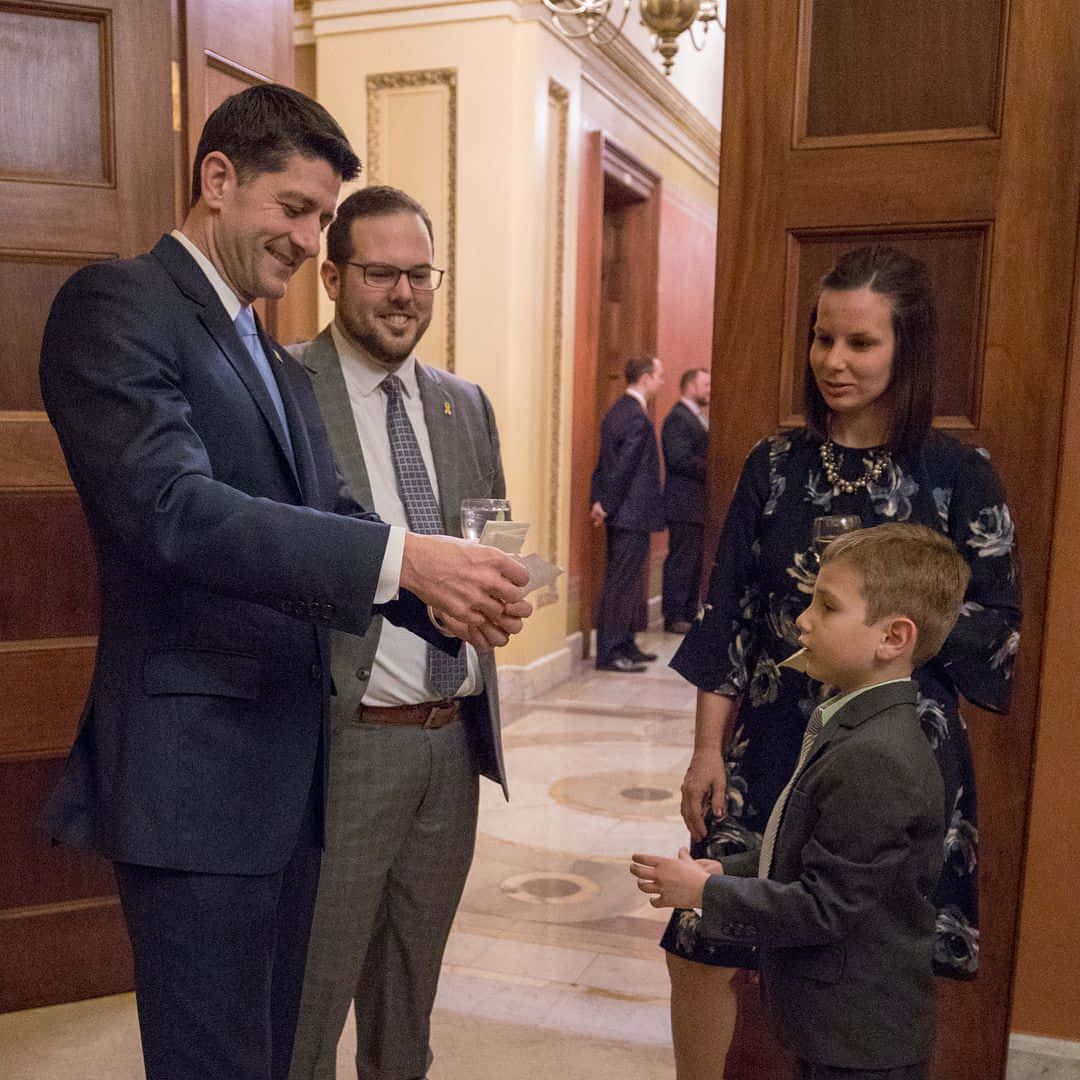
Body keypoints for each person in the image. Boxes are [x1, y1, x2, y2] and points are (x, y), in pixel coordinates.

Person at [37, 85, 531, 1080]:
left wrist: (435, 591)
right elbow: (172, 511)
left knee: (265, 1055)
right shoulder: (118, 303)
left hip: (284, 778)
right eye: (296, 209)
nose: (311, 240)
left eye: (318, 216)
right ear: (218, 180)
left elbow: (327, 514)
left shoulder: (257, 342)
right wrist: (407, 559)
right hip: (199, 783)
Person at [661, 246, 1021, 1079]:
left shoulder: (958, 475)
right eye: (823, 339)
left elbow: (996, 625)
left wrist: (886, 641)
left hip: (890, 749)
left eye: (860, 343)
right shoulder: (773, 465)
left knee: (860, 951)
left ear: (906, 350)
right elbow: (733, 617)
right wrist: (707, 749)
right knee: (700, 937)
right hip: (774, 736)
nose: (833, 361)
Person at [285, 186, 510, 1080]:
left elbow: (487, 538)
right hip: (342, 748)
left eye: (421, 274)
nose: (404, 294)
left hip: (448, 749)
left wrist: (499, 591)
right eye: (381, 273)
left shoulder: (465, 404)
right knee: (308, 1002)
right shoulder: (283, 388)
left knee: (408, 1002)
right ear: (334, 275)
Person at [633, 522, 970, 1080]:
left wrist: (708, 892)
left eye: (827, 606)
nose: (804, 620)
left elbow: (824, 907)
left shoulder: (877, 756)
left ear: (893, 638)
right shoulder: (854, 720)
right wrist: (731, 866)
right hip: (838, 1029)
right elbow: (812, 849)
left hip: (859, 1041)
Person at [589, 355, 665, 672]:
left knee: (629, 581)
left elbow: (602, 464)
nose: (661, 382)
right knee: (621, 582)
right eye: (659, 376)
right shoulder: (636, 417)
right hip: (629, 513)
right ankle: (610, 652)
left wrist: (598, 500)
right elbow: (623, 467)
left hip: (623, 512)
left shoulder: (618, 411)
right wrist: (605, 504)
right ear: (646, 377)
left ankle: (625, 643)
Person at [662, 367, 711, 634]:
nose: (709, 390)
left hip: (696, 505)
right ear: (691, 386)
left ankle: (690, 611)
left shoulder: (696, 417)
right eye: (705, 385)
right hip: (683, 504)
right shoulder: (678, 418)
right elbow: (679, 458)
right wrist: (712, 467)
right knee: (681, 560)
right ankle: (675, 614)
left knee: (694, 561)